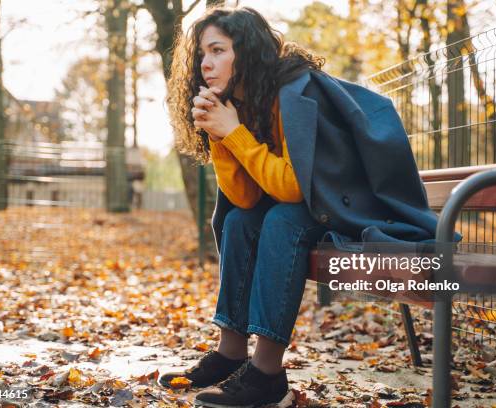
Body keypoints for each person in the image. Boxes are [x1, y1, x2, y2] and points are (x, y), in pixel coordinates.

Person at [161, 6, 445, 408]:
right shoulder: (243, 103)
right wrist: (220, 136)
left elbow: (294, 189)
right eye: (202, 55)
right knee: (241, 220)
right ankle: (230, 352)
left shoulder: (295, 92)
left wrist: (234, 132)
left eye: (218, 50)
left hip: (350, 212)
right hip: (309, 210)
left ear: (247, 50)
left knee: (281, 218)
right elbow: (243, 199)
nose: (206, 63)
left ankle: (267, 373)